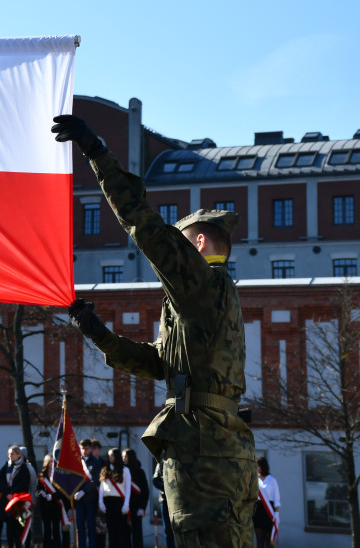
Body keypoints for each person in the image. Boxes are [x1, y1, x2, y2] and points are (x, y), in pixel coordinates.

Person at [53, 114, 257, 548]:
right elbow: (158, 362)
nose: (174, 255)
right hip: (217, 448)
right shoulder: (214, 300)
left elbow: (142, 224)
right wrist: (98, 332)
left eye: (181, 243)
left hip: (202, 452)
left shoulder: (201, 284)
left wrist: (96, 152)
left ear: (197, 244)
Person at [97, 448, 131, 548]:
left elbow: (128, 488)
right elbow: (101, 487)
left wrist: (126, 504)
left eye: (112, 455)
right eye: (109, 455)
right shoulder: (105, 469)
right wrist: (100, 502)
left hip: (119, 501)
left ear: (116, 456)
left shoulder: (125, 470)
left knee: (120, 529)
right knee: (111, 529)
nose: (110, 457)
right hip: (107, 501)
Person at [1, 445, 33, 547]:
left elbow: (24, 482)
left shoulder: (24, 468)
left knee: (19, 527)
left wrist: (13, 493)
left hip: (19, 502)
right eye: (9, 454)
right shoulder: (6, 466)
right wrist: (7, 493)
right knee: (9, 527)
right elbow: (0, 480)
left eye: (12, 454)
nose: (10, 456)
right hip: (8, 500)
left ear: (19, 455)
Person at [72, 438, 102, 548]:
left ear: (91, 448)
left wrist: (83, 491)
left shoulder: (96, 462)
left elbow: (95, 480)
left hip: (90, 498)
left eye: (87, 448)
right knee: (80, 527)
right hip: (79, 500)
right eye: (82, 448)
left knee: (91, 526)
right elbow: (72, 478)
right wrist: (75, 492)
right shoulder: (76, 461)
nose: (84, 451)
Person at [122, 449, 148, 548]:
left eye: (125, 456)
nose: (123, 459)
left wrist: (142, 507)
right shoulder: (122, 471)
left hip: (136, 507)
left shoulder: (139, 472)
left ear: (131, 457)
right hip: (124, 506)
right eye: (122, 456)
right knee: (125, 534)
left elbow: (145, 491)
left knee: (137, 534)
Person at [253, 456, 280, 548]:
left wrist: (276, 513)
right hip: (257, 510)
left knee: (268, 539)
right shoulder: (254, 480)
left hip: (268, 511)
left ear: (262, 467)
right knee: (259, 538)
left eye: (257, 466)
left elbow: (277, 500)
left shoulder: (272, 481)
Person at [37, 455, 63, 548]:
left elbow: (62, 492)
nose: (52, 463)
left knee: (56, 529)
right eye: (50, 461)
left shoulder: (59, 475)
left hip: (56, 505)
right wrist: (41, 493)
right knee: (47, 530)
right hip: (45, 507)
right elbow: (37, 490)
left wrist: (52, 496)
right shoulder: (41, 476)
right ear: (47, 463)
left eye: (54, 461)